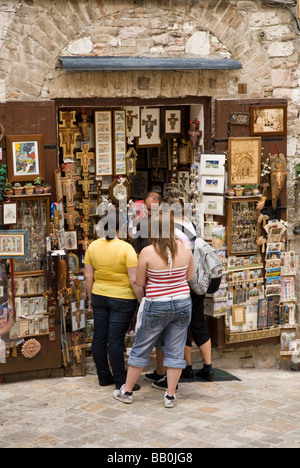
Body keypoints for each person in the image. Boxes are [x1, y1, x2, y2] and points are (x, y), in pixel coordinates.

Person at [113, 210, 194, 408]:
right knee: (175, 350)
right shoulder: (185, 247)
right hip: (182, 301)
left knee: (141, 346)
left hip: (156, 303)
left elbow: (140, 282)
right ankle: (170, 395)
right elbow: (189, 277)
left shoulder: (148, 252)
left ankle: (127, 391)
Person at [84, 210, 144, 390]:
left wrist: (90, 298)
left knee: (99, 337)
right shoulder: (126, 248)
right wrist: (142, 301)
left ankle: (104, 376)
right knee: (116, 340)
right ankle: (122, 381)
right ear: (122, 227)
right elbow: (134, 280)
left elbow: (88, 276)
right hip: (122, 298)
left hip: (99, 295)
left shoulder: (93, 246)